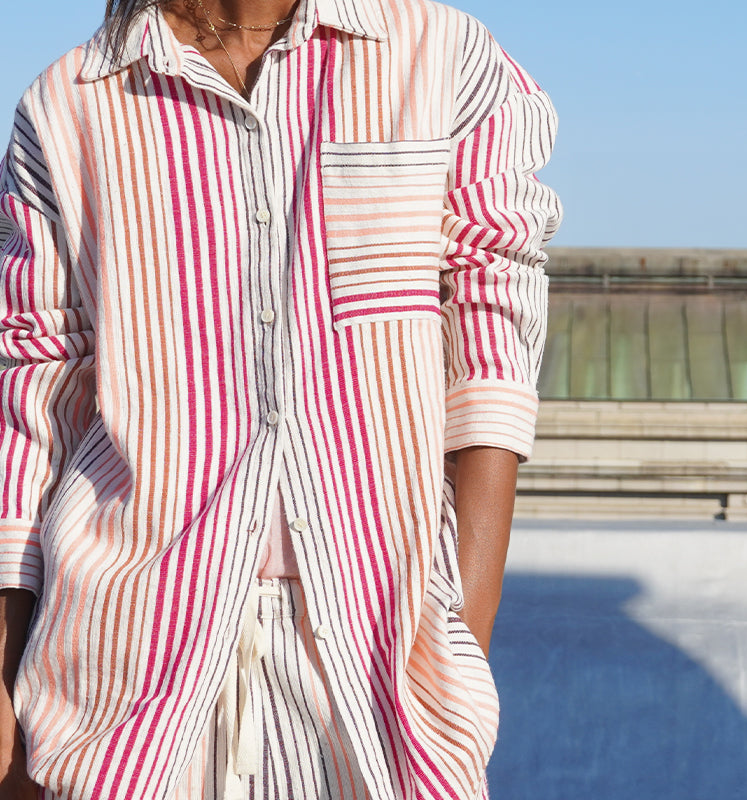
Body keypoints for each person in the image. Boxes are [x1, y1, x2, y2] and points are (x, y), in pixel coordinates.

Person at [0, 0, 561, 796]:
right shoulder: (68, 104)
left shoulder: (441, 57)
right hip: (122, 672)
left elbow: (493, 339)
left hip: (378, 670)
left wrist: (463, 631)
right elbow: (33, 392)